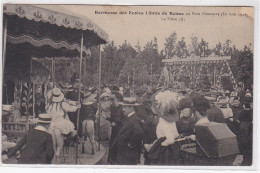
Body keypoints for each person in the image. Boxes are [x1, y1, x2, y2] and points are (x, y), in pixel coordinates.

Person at [47, 87, 80, 158]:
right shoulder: (62, 104)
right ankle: (59, 150)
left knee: (52, 138)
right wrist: (76, 107)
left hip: (51, 123)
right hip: (60, 122)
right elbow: (71, 109)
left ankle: (54, 152)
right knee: (67, 130)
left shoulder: (49, 105)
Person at [112, 97, 143, 165]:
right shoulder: (129, 117)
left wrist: (131, 145)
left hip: (128, 153)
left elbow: (138, 132)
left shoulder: (134, 119)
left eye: (125, 108)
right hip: (125, 152)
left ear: (131, 108)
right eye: (123, 107)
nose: (123, 109)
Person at [107, 93, 125, 164]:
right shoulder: (113, 107)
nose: (112, 102)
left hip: (121, 129)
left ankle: (118, 161)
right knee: (112, 144)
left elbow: (125, 119)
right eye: (112, 101)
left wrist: (116, 122)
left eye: (114, 100)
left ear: (118, 100)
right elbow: (112, 118)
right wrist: (107, 118)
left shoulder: (123, 108)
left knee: (119, 145)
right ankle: (112, 161)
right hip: (114, 129)